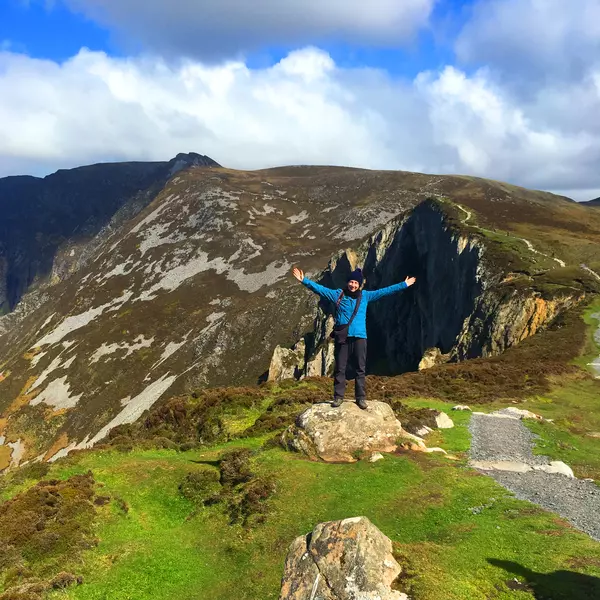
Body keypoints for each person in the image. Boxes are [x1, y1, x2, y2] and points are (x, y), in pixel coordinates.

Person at [292, 266, 416, 409]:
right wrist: (304, 281)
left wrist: (404, 284)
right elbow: (320, 290)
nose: (353, 285)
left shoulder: (365, 296)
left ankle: (360, 398)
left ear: (359, 284)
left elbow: (384, 292)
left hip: (360, 337)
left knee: (360, 369)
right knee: (340, 368)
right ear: (348, 282)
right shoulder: (338, 295)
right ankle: (338, 397)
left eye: (356, 283)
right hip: (343, 337)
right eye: (351, 282)